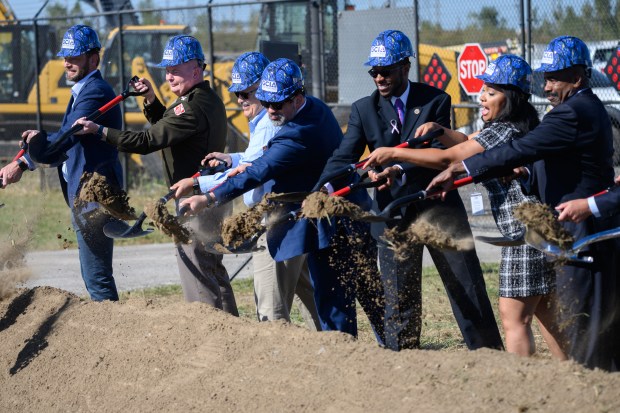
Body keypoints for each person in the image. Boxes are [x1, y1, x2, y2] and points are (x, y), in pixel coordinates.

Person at [428, 36, 620, 371]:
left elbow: (521, 148)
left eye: (554, 78)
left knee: (586, 331)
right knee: (571, 321)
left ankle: (586, 391)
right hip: (572, 231)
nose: (546, 86)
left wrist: (463, 168)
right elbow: (545, 161)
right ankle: (574, 384)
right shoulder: (581, 108)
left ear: (577, 78)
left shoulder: (572, 112)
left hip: (581, 230)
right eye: (544, 78)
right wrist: (526, 175)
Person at [363, 54, 566, 359]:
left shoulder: (505, 131)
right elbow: (461, 139)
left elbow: (451, 157)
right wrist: (438, 130)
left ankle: (521, 384)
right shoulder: (509, 127)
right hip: (537, 231)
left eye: (492, 92)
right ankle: (572, 373)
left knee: (514, 317)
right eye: (483, 89)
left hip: (525, 233)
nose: (482, 97)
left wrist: (394, 154)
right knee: (546, 314)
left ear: (510, 98)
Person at [315, 29, 503, 351]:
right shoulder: (364, 109)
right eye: (373, 71)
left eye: (385, 70)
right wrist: (319, 191)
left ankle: (488, 354)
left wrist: (398, 167)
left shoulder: (436, 101)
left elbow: (434, 154)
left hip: (439, 210)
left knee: (466, 288)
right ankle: (401, 363)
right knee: (398, 299)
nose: (378, 77)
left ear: (405, 66)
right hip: (394, 218)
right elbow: (344, 157)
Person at [173, 58, 386, 341]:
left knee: (341, 301)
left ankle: (380, 356)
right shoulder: (315, 109)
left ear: (297, 98)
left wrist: (207, 197)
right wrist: (238, 162)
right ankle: (365, 352)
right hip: (333, 216)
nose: (270, 110)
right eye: (266, 102)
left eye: (277, 104)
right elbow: (259, 161)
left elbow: (259, 171)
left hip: (338, 222)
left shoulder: (295, 135)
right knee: (345, 298)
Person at [70, 35, 238, 315]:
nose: (169, 76)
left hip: (195, 199)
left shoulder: (191, 106)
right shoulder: (204, 98)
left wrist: (99, 131)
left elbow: (148, 141)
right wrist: (150, 98)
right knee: (211, 267)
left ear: (196, 69)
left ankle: (207, 331)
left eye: (175, 69)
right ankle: (230, 328)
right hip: (209, 193)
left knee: (195, 269)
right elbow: (171, 127)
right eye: (167, 70)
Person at [174, 52, 320, 329]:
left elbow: (253, 173)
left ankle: (276, 361)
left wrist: (199, 186)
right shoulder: (268, 121)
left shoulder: (267, 125)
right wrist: (234, 159)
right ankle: (338, 348)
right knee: (308, 294)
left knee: (270, 312)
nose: (241, 100)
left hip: (274, 220)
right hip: (289, 214)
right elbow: (258, 161)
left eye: (247, 93)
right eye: (237, 94)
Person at [1, 25, 124, 301]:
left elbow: (64, 140)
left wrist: (22, 164)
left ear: (94, 59)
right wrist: (33, 148)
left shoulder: (95, 91)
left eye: (75, 57)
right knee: (95, 277)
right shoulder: (82, 91)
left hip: (95, 198)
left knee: (98, 280)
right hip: (83, 196)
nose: (67, 62)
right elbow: (61, 145)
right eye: (65, 56)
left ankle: (110, 338)